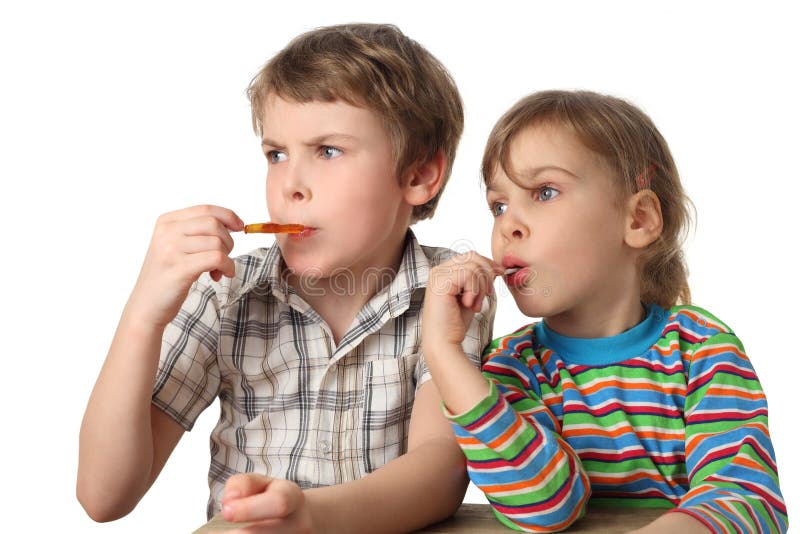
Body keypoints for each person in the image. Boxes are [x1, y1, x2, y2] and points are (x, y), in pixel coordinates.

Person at [77, 23, 495, 533]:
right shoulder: (222, 292)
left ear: (417, 176)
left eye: (327, 151)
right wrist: (144, 313)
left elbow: (441, 473)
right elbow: (104, 496)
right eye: (276, 154)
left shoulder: (449, 290)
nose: (290, 186)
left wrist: (310, 516)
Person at [421, 90, 787, 533]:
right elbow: (544, 507)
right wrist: (443, 352)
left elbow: (746, 499)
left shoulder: (702, 351)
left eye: (545, 191)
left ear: (638, 220)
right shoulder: (510, 367)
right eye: (499, 205)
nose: (507, 225)